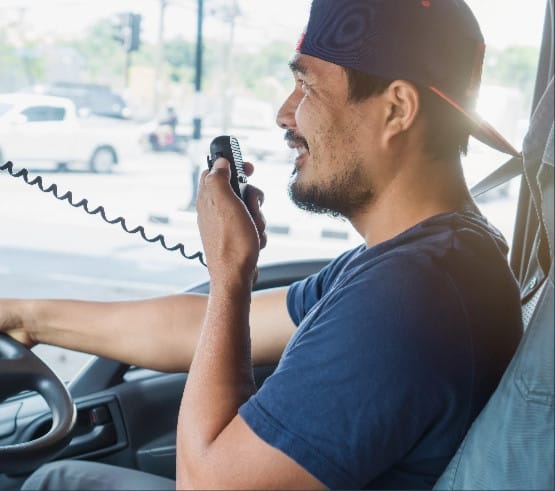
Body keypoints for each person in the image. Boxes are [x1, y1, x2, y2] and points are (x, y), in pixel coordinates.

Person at [2, 0, 523, 489]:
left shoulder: (411, 295)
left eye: (307, 86)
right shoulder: (428, 257)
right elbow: (196, 329)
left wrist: (230, 270)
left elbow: (204, 483)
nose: (284, 113)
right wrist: (27, 317)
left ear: (396, 109)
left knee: (56, 480)